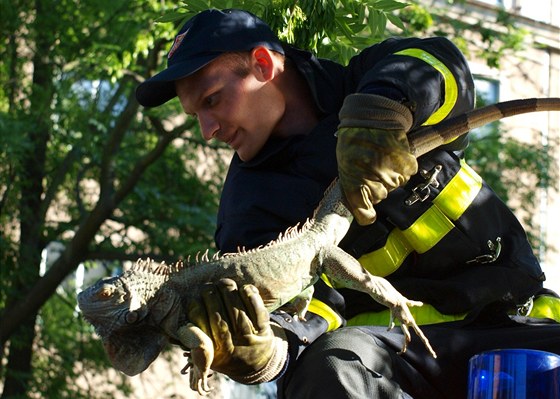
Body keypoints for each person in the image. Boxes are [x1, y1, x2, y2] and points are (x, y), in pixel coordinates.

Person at [136, 9, 560, 398]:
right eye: (196, 116)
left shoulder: (370, 78)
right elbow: (291, 322)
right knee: (328, 369)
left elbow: (440, 65)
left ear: (263, 65)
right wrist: (263, 355)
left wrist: (384, 109)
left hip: (523, 323)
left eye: (211, 100)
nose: (208, 131)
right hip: (396, 357)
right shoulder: (247, 213)